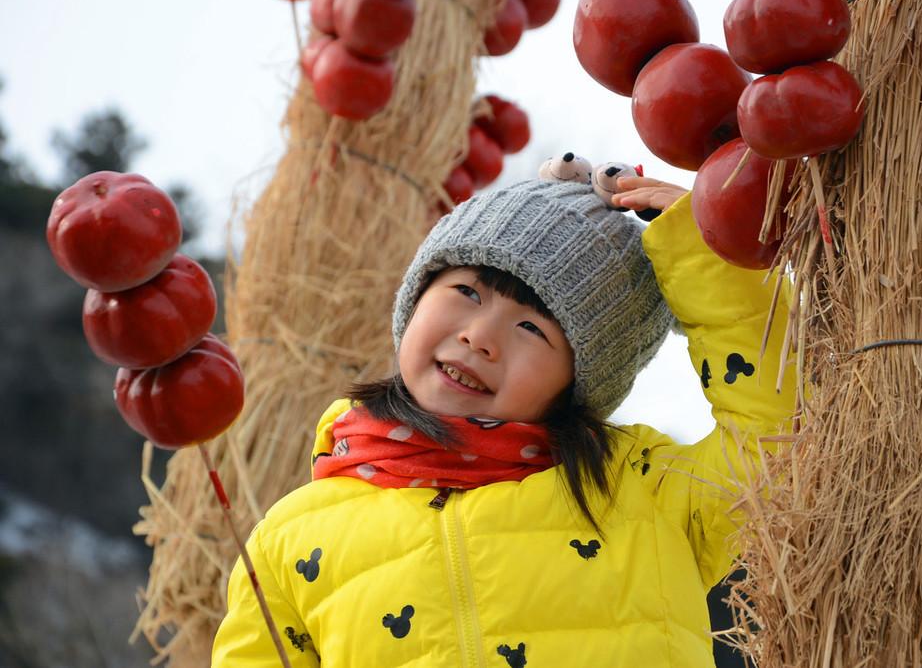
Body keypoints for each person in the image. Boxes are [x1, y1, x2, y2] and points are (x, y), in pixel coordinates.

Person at [212, 170, 796, 667]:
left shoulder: (644, 491)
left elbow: (783, 439)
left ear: (578, 382)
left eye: (531, 328)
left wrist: (706, 257)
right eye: (466, 290)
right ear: (415, 299)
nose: (479, 336)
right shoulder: (293, 535)